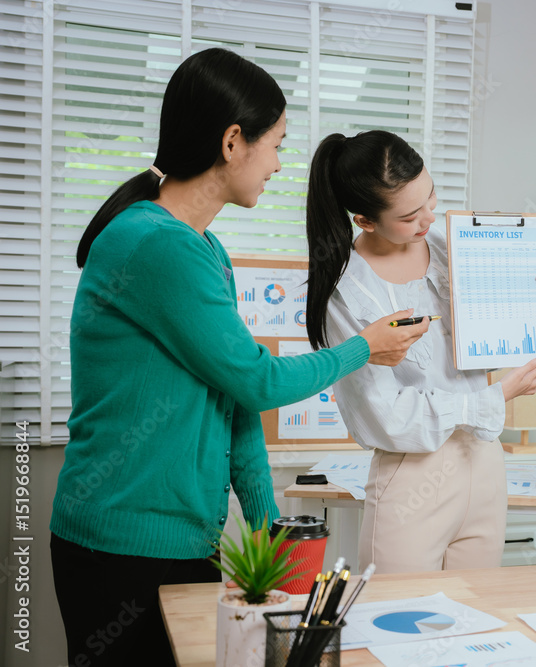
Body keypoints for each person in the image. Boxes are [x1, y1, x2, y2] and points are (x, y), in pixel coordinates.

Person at [49, 49, 426, 666]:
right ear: (232, 143)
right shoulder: (154, 244)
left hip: (184, 542)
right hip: (122, 545)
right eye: (275, 145)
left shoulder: (205, 249)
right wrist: (364, 347)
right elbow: (258, 380)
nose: (278, 164)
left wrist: (266, 530)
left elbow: (235, 399)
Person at [304, 130, 536, 573]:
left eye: (430, 198)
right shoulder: (347, 294)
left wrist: (533, 303)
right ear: (365, 221)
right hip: (412, 475)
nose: (428, 218)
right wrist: (496, 397)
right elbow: (386, 415)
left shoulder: (453, 250)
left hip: (484, 461)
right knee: (397, 612)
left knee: (476, 608)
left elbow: (483, 355)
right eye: (409, 216)